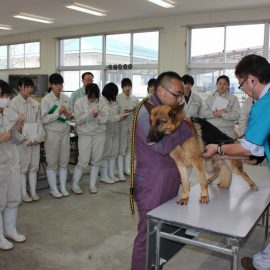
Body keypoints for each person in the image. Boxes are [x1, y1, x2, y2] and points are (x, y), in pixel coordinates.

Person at [202, 54, 270, 270]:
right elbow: (255, 152)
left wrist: (219, 149)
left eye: (241, 84)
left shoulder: (264, 104)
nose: (243, 89)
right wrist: (226, 155)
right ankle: (263, 261)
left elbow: (249, 148)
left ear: (252, 79)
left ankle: (261, 263)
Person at [131, 71, 193, 270]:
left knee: (163, 231)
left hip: (170, 177)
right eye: (176, 94)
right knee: (147, 235)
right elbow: (160, 146)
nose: (179, 99)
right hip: (152, 181)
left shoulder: (169, 111)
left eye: (181, 95)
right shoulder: (146, 112)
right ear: (160, 90)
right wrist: (185, 128)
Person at [8, 77, 45, 203]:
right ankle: (23, 193)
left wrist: (38, 137)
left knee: (34, 166)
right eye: (26, 87)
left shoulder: (35, 103)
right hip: (21, 143)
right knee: (22, 168)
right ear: (20, 87)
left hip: (34, 141)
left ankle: (33, 192)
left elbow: (40, 122)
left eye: (31, 87)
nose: (29, 90)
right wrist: (24, 140)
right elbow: (12, 126)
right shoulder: (13, 104)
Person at [0, 80, 26, 250]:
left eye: (7, 95)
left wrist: (19, 126)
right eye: (2, 95)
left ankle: (10, 229)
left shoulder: (9, 112)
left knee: (13, 198)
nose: (5, 99)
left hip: (12, 161)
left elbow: (16, 139)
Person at [72, 83, 108, 194]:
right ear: (86, 94)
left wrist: (97, 116)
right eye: (90, 97)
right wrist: (89, 114)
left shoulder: (102, 102)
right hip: (85, 135)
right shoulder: (79, 102)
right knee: (83, 161)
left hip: (99, 134)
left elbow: (104, 119)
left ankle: (92, 185)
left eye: (95, 97)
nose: (92, 99)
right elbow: (77, 120)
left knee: (96, 160)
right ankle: (75, 184)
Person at [41, 73, 73, 198]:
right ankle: (54, 189)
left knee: (64, 161)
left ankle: (63, 187)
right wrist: (57, 113)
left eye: (61, 84)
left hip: (65, 133)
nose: (59, 86)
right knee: (52, 162)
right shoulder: (46, 100)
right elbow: (44, 119)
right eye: (56, 84)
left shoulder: (66, 98)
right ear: (51, 85)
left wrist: (66, 112)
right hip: (52, 134)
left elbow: (70, 117)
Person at [99, 83, 125, 184]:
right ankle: (104, 176)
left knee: (113, 152)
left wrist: (122, 114)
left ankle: (111, 174)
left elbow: (116, 112)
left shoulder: (113, 101)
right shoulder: (101, 101)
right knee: (106, 153)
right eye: (114, 93)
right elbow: (106, 117)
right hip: (106, 130)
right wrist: (118, 117)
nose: (115, 95)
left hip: (115, 129)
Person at [116, 78, 139, 181]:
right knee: (121, 150)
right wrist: (121, 115)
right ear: (122, 87)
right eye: (125, 86)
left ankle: (127, 169)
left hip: (131, 127)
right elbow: (114, 113)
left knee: (129, 149)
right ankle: (120, 172)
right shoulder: (117, 98)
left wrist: (134, 111)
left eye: (129, 86)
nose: (128, 88)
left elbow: (138, 113)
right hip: (121, 127)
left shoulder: (135, 99)